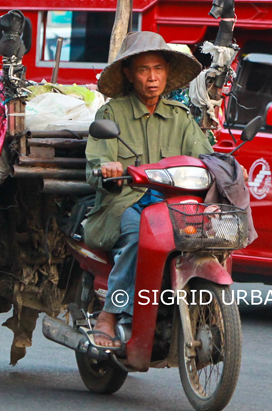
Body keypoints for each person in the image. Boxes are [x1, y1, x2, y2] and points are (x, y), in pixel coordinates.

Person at [83, 31, 211, 348]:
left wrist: (226, 168)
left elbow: (205, 157)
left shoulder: (181, 118)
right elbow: (95, 163)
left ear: (167, 72)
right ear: (129, 73)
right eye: (143, 69)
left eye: (158, 69)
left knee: (209, 237)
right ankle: (109, 315)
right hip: (124, 203)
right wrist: (107, 168)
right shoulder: (112, 114)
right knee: (138, 239)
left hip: (172, 206)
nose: (152, 78)